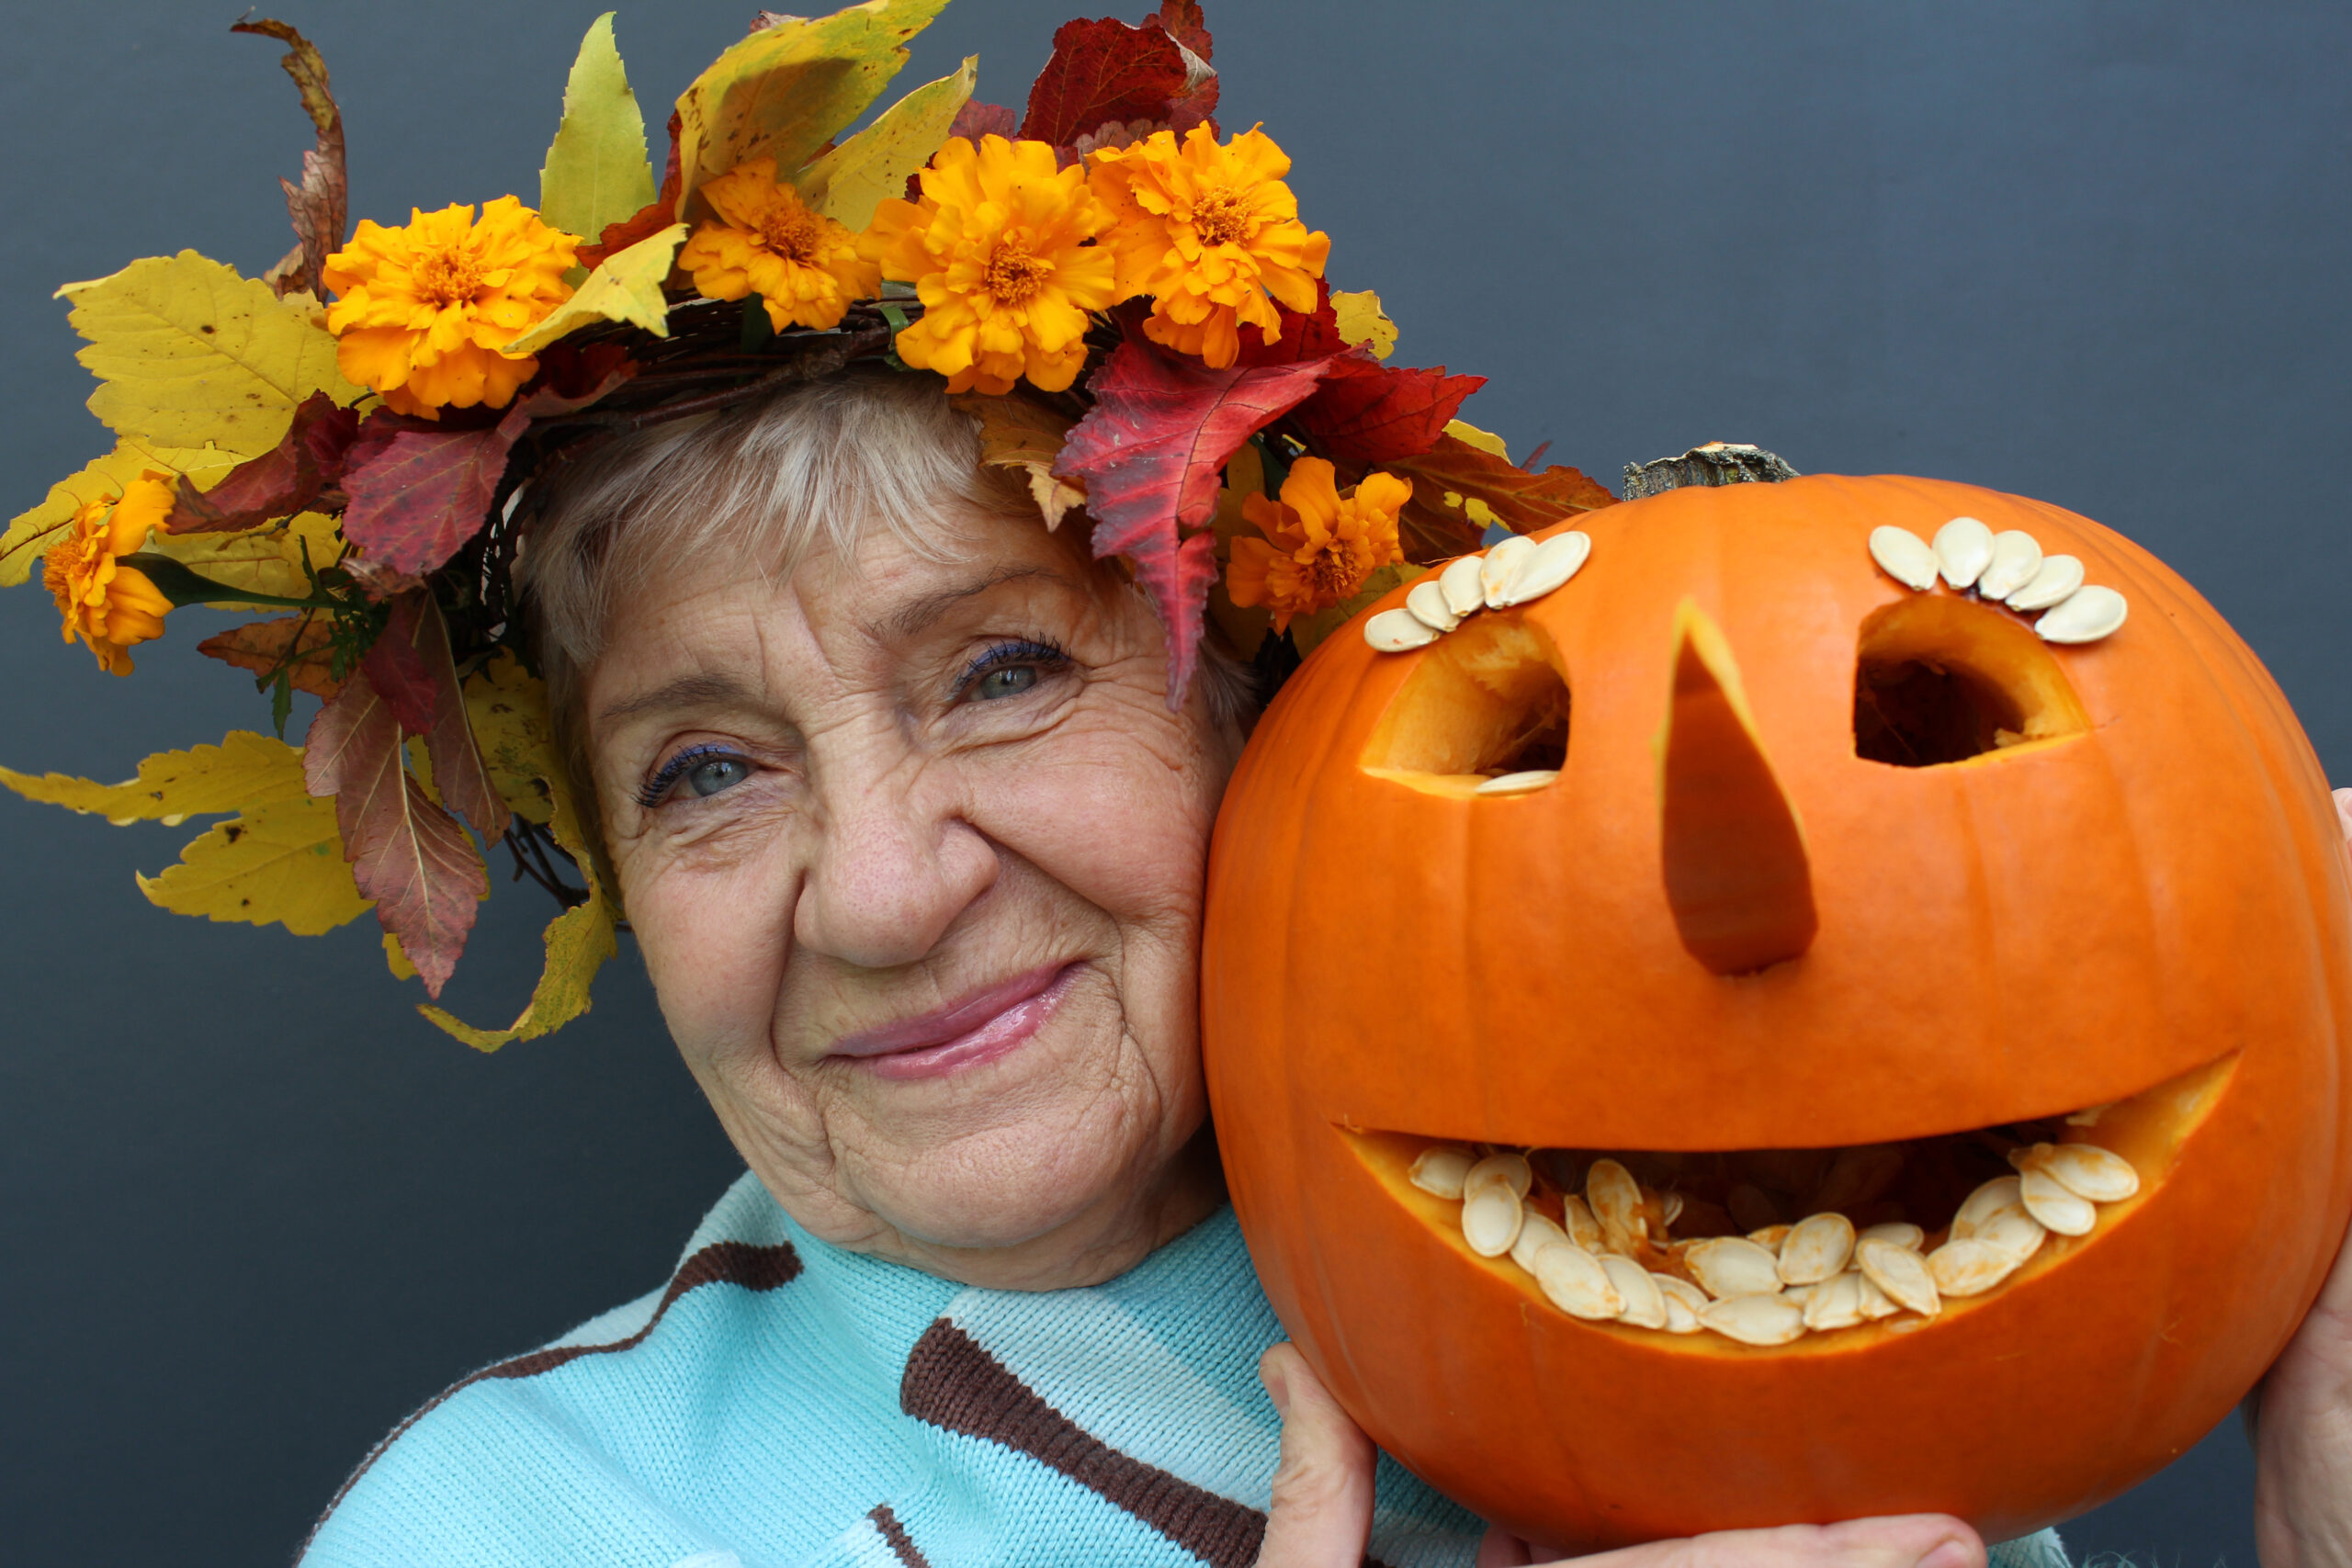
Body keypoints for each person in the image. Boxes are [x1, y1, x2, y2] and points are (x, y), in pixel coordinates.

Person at [290, 369, 2352, 1567]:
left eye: (999, 670)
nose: (882, 892)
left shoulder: (1788, 1274)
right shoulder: (518, 1525)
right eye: (706, 768)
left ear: (1264, 719)